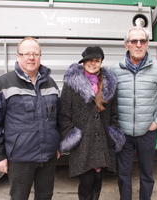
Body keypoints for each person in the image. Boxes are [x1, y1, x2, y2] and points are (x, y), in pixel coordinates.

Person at [0, 37, 60, 200]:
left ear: (40, 56)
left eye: (35, 53)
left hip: (48, 157)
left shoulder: (51, 83)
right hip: (20, 158)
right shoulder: (3, 84)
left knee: (46, 196)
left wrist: (58, 144)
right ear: (18, 56)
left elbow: (58, 119)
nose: (31, 57)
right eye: (26, 53)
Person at [110, 27, 157, 200]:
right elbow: (108, 101)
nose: (138, 45)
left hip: (147, 132)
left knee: (147, 174)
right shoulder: (115, 70)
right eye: (134, 41)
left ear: (147, 44)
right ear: (126, 45)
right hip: (123, 134)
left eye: (143, 41)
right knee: (124, 175)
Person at [58, 46, 125, 200]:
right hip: (83, 143)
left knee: (98, 179)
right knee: (86, 179)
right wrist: (73, 135)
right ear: (83, 62)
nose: (93, 64)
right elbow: (64, 114)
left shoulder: (109, 83)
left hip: (102, 141)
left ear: (101, 62)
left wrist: (112, 132)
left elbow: (114, 112)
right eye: (90, 60)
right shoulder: (72, 84)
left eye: (97, 61)